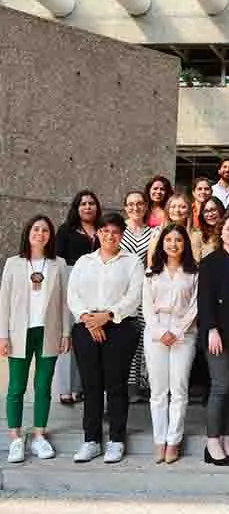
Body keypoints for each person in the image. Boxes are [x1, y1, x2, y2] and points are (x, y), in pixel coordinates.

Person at [67, 212, 143, 464]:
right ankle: (91, 440)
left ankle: (116, 440)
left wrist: (108, 315)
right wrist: (89, 318)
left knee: (116, 385)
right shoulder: (84, 262)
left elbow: (134, 296)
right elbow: (73, 294)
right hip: (86, 327)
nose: (110, 236)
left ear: (122, 235)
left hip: (120, 327)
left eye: (115, 232)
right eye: (105, 231)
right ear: (98, 233)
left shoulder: (131, 262)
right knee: (91, 386)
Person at [0, 216, 69, 463]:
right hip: (20, 332)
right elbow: (4, 302)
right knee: (16, 387)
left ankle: (40, 435)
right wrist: (2, 335)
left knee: (43, 386)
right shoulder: (14, 263)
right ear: (28, 233)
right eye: (36, 229)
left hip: (47, 331)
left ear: (50, 235)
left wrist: (66, 332)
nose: (40, 233)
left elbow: (63, 302)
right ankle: (16, 438)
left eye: (45, 230)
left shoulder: (58, 264)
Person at [143, 224, 199, 465]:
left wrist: (176, 331)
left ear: (185, 244)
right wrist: (159, 331)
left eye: (178, 240)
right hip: (156, 331)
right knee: (158, 391)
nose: (173, 244)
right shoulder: (151, 272)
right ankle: (159, 440)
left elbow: (196, 306)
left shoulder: (194, 272)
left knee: (179, 389)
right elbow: (145, 306)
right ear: (161, 244)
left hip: (183, 332)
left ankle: (174, 440)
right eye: (168, 240)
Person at [198, 213, 229, 466]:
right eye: (228, 228)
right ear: (221, 232)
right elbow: (204, 299)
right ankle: (212, 441)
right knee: (221, 386)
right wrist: (210, 329)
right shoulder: (211, 261)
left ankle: (226, 437)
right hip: (218, 334)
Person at [55, 190, 101, 406]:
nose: (88, 207)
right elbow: (57, 260)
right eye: (83, 203)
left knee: (87, 335)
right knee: (67, 334)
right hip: (70, 282)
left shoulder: (102, 230)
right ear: (77, 207)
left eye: (91, 203)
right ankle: (65, 388)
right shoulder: (66, 230)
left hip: (95, 287)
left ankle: (80, 386)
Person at [120, 191, 154, 404]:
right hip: (121, 291)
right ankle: (122, 384)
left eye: (139, 204)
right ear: (125, 208)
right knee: (122, 336)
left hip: (144, 290)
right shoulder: (118, 230)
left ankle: (137, 386)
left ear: (145, 206)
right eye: (131, 204)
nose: (135, 208)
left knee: (141, 337)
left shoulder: (152, 233)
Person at [147, 193, 199, 265]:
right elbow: (151, 260)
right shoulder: (158, 232)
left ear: (189, 211)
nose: (177, 210)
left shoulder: (196, 234)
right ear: (167, 210)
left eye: (182, 207)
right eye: (173, 207)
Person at [191, 197, 224, 261]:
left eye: (213, 210)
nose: (210, 214)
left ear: (220, 210)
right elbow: (196, 263)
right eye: (206, 211)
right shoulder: (198, 235)